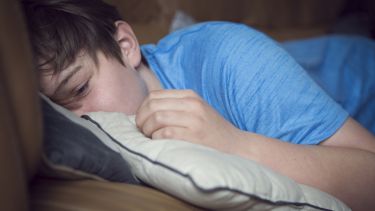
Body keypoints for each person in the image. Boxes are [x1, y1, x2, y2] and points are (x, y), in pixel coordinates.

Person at [22, 0, 375, 210]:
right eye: (61, 111)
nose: (82, 119)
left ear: (127, 45)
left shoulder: (231, 56)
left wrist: (235, 144)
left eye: (80, 87)